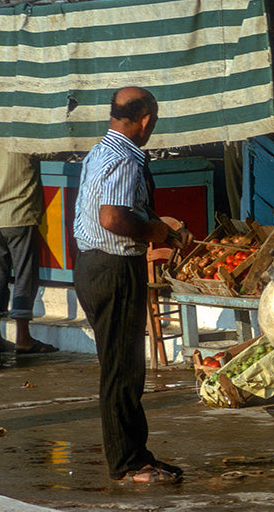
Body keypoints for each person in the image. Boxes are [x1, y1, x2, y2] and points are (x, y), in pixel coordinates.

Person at [73, 86, 193, 484]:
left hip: (93, 265)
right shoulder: (124, 157)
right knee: (123, 370)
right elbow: (112, 218)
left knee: (121, 367)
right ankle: (128, 463)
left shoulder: (100, 151)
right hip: (113, 268)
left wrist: (158, 223)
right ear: (146, 120)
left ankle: (135, 455)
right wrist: (154, 230)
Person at [0, 144, 58, 355]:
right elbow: (51, 152)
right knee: (24, 275)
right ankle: (23, 337)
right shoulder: (25, 140)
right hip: (21, 215)